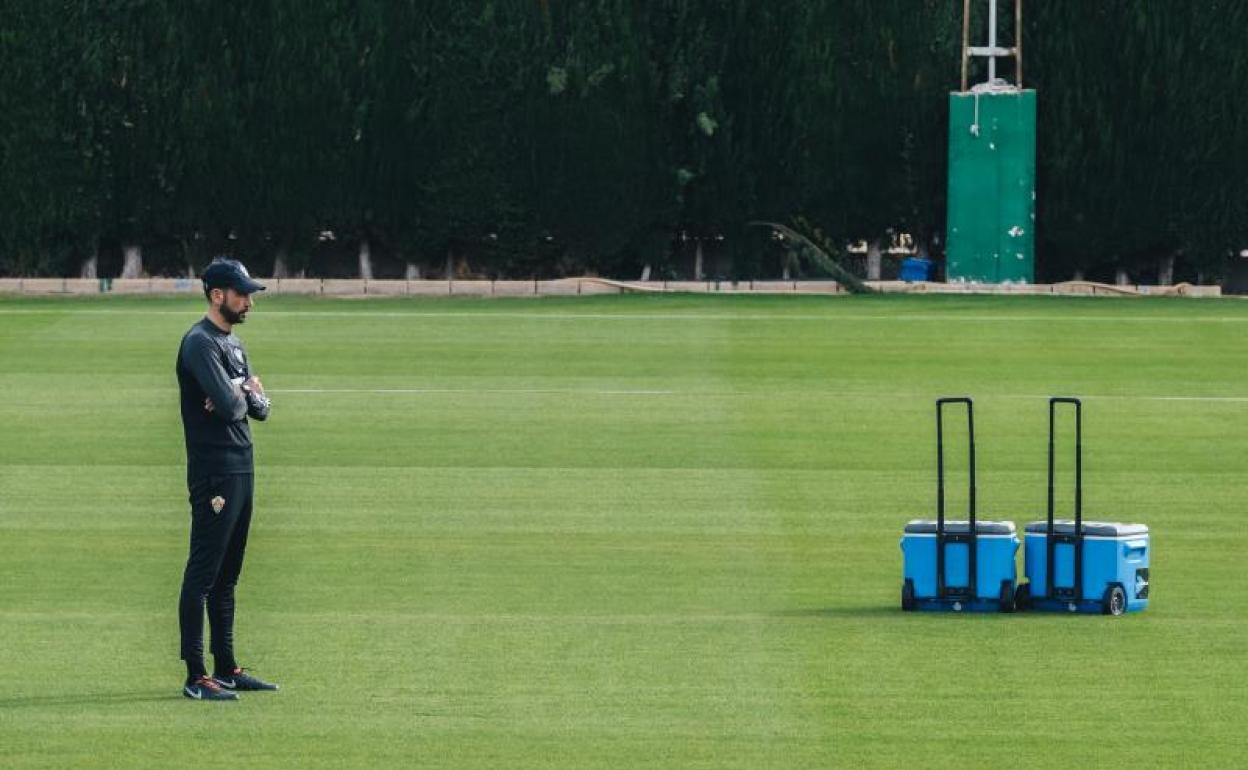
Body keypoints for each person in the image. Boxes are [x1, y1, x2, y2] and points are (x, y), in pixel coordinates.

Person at [175, 257, 278, 701]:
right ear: (218, 295)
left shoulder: (232, 345)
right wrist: (242, 392)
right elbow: (239, 404)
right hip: (215, 468)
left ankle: (227, 667)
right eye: (242, 294)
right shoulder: (199, 344)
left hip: (242, 465)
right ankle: (196, 675)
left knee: (228, 575)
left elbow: (261, 408)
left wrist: (240, 394)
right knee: (203, 572)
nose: (249, 301)